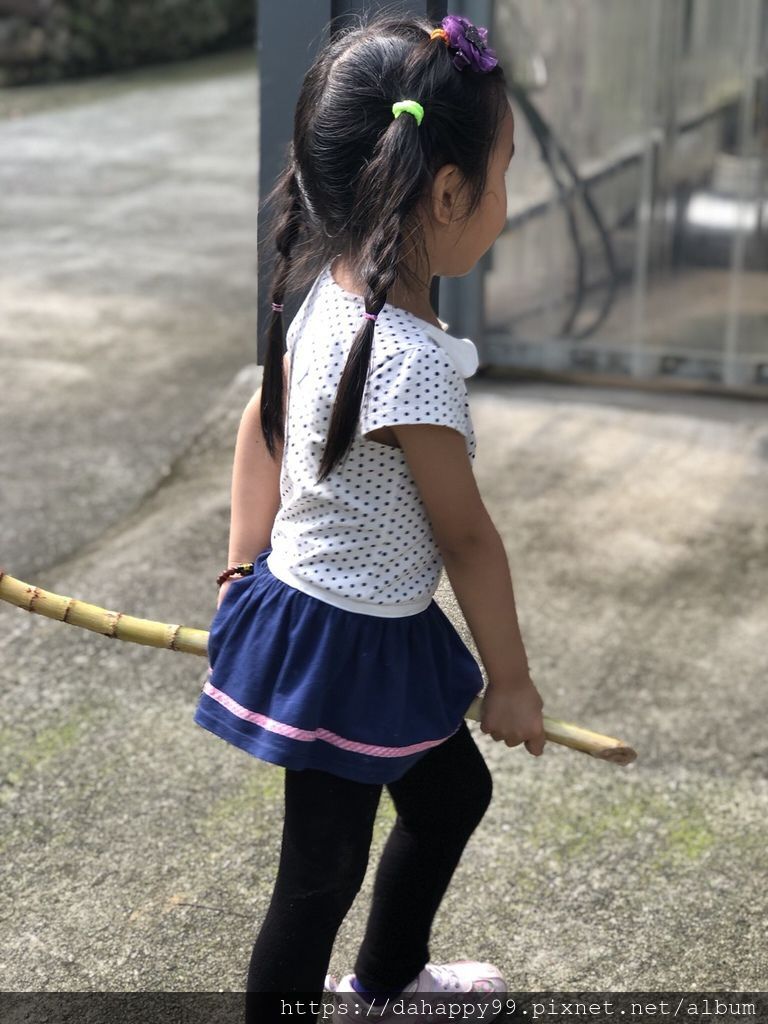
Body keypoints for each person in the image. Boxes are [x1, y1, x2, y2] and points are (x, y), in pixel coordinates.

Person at [192, 10, 546, 1022]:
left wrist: (240, 566)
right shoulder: (411, 361)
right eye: (504, 174)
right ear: (449, 193)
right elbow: (467, 538)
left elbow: (261, 422)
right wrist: (511, 682)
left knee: (450, 797)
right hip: (344, 646)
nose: (507, 201)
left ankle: (387, 984)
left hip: (364, 629)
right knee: (319, 872)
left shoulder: (330, 287)